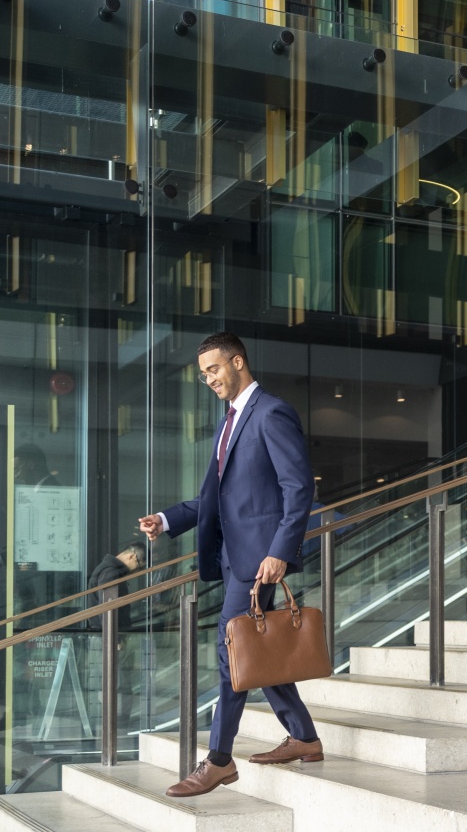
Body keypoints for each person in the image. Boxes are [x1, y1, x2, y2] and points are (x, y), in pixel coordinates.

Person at [138, 332, 323, 798]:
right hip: (233, 558)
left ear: (238, 362)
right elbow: (215, 497)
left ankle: (219, 760)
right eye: (203, 374)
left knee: (232, 650)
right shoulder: (231, 421)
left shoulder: (271, 412)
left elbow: (298, 487)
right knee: (254, 651)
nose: (209, 380)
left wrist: (280, 551)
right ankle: (304, 735)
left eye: (214, 369)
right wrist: (166, 519)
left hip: (259, 559)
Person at [87, 542, 145, 630]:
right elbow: (108, 610)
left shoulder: (107, 569)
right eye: (139, 567)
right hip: (107, 634)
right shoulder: (111, 572)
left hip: (105, 632)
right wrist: (115, 637)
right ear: (132, 557)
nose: (137, 572)